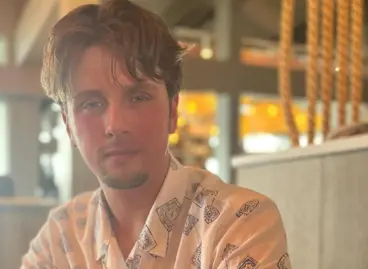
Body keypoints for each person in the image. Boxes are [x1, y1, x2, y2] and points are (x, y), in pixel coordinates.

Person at [21, 0, 292, 268]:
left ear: (173, 112)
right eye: (91, 103)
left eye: (138, 97)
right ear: (68, 125)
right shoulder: (59, 238)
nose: (115, 125)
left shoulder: (237, 222)